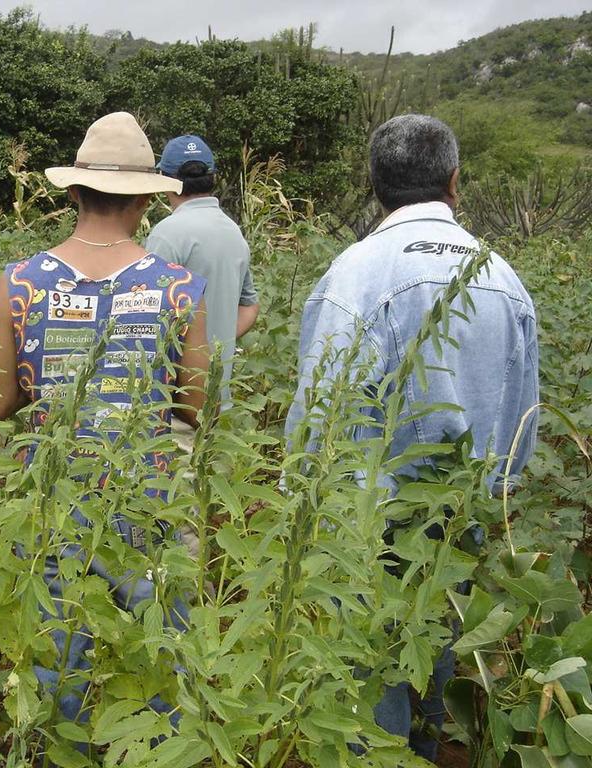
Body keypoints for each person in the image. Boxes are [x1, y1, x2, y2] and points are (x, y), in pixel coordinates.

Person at [284, 114, 539, 760]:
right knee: (435, 660)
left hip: (369, 531)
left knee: (374, 682)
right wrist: (489, 502)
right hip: (460, 527)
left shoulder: (354, 275)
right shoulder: (506, 281)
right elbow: (522, 429)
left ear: (375, 187)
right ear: (455, 183)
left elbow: (319, 420)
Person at [0, 112, 209, 735]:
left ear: (76, 191)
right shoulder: (180, 288)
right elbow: (193, 405)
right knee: (160, 646)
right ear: (144, 199)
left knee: (59, 656)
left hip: (54, 494)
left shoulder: (19, 283)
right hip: (148, 496)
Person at [145, 134, 260, 414]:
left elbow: (147, 315)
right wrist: (217, 341)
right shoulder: (233, 232)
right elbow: (250, 306)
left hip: (177, 403)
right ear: (213, 177)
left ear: (166, 181)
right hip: (220, 398)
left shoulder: (167, 234)